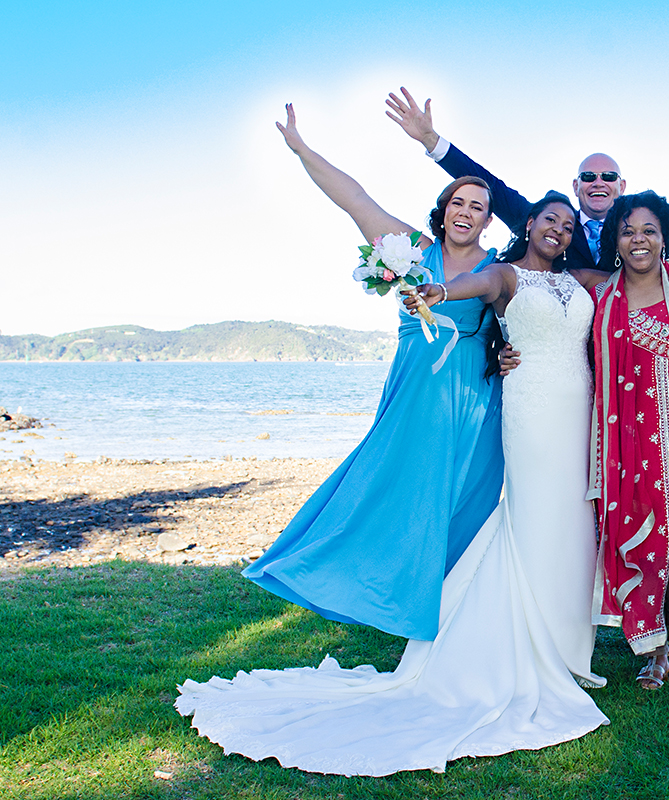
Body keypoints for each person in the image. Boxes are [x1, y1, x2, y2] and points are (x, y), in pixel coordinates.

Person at [177, 194, 611, 775]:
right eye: (547, 219)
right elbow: (473, 289)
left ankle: (563, 642)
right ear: (527, 224)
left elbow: (644, 273)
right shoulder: (501, 272)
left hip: (572, 408)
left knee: (568, 522)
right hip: (529, 411)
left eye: (566, 222)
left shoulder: (579, 279)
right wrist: (435, 292)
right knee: (528, 518)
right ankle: (521, 646)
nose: (557, 228)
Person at [240, 104, 504, 642]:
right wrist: (301, 149)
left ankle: (448, 604)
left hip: (474, 398)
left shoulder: (498, 265)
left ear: (487, 220)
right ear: (444, 209)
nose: (466, 212)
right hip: (415, 392)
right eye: (458, 201)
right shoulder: (413, 250)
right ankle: (355, 579)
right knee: (383, 485)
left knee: (461, 497)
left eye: (477, 207)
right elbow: (354, 198)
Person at [385, 87, 669, 271]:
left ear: (621, 187)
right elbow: (490, 187)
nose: (598, 182)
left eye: (608, 176)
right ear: (575, 187)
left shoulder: (649, 225)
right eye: (588, 176)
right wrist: (432, 141)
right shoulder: (547, 225)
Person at [586, 192, 669, 690]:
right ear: (615, 241)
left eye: (648, 229)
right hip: (629, 443)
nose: (638, 239)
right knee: (643, 535)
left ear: (665, 236)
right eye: (627, 231)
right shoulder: (601, 297)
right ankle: (655, 648)